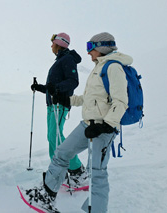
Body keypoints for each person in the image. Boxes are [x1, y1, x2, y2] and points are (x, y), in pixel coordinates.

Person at [23, 32, 131, 213]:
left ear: (102, 47)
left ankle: (96, 210)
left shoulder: (113, 67)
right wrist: (69, 100)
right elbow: (89, 98)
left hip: (103, 128)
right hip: (87, 124)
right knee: (62, 152)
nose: (88, 52)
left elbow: (121, 102)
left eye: (91, 47)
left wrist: (106, 125)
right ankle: (46, 196)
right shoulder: (99, 67)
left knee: (97, 174)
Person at [31, 32, 87, 187]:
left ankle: (78, 172)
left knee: (56, 138)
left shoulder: (67, 59)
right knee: (52, 138)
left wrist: (55, 88)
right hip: (52, 104)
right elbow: (53, 87)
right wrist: (41, 88)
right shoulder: (61, 60)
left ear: (59, 44)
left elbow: (73, 81)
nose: (51, 46)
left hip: (60, 104)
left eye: (52, 43)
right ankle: (58, 171)